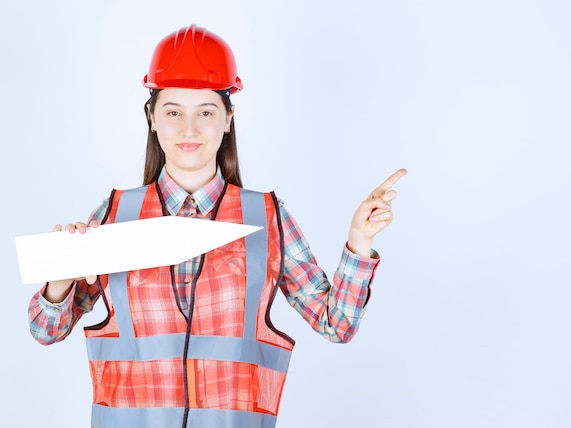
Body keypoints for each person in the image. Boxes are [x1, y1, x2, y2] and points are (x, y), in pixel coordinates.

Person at [28, 24, 406, 428]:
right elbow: (45, 329)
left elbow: (336, 324)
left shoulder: (266, 218)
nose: (189, 129)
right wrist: (60, 277)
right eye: (173, 111)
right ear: (151, 118)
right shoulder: (115, 214)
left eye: (205, 112)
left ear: (228, 118)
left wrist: (358, 243)